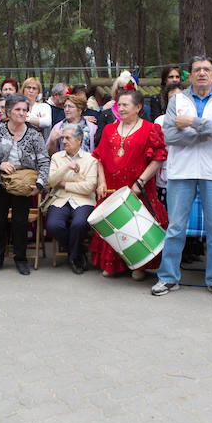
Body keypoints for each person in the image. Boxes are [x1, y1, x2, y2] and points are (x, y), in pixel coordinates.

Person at [152, 56, 212, 299]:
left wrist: (192, 122)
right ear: (190, 75)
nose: (201, 73)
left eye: (206, 70)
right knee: (176, 227)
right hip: (182, 171)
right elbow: (169, 136)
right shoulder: (177, 100)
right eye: (197, 69)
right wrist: (207, 129)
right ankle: (167, 278)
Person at [90, 90, 168, 280]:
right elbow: (99, 157)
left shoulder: (151, 129)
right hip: (112, 188)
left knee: (136, 226)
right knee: (115, 226)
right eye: (119, 105)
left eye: (126, 105)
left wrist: (140, 182)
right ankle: (113, 264)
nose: (121, 108)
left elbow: (158, 158)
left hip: (138, 188)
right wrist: (101, 181)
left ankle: (140, 264)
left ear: (138, 107)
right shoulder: (109, 129)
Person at [0, 93, 50, 275]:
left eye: (25, 110)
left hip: (23, 186)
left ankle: (21, 259)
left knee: (20, 223)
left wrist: (39, 185)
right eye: (17, 109)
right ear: (8, 112)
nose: (22, 113)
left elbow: (44, 161)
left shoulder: (34, 134)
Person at [45, 123, 98, 274]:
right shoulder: (56, 157)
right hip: (60, 198)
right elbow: (50, 181)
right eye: (63, 138)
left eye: (68, 138)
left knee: (79, 224)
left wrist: (64, 184)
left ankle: (74, 257)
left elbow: (89, 187)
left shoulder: (90, 159)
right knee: (53, 225)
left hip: (84, 200)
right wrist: (66, 167)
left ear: (79, 140)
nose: (64, 142)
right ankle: (77, 252)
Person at [95, 71, 142, 145]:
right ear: (116, 90)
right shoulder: (106, 114)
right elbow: (97, 141)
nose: (124, 91)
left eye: (128, 87)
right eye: (121, 88)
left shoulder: (141, 112)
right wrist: (110, 132)